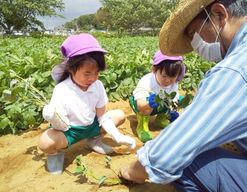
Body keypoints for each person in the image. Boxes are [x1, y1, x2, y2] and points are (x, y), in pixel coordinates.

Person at [120, 0, 247, 191]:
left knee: (187, 160)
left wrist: (131, 171)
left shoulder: (235, 69)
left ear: (219, 14)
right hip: (147, 108)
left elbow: (170, 152)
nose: (195, 43)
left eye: (193, 33)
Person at [38, 33, 136, 174]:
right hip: (70, 131)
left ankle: (94, 141)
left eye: (96, 73)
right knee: (45, 142)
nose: (92, 78)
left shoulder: (98, 86)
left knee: (119, 115)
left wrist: (117, 135)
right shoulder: (62, 90)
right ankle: (55, 154)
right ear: (71, 69)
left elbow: (102, 116)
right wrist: (53, 117)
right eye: (87, 73)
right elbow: (60, 124)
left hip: (91, 126)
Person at [129, 50, 185, 142]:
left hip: (158, 104)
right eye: (164, 76)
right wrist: (150, 103)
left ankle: (161, 119)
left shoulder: (174, 83)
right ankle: (142, 126)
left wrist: (173, 109)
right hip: (141, 103)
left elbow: (173, 98)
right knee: (148, 105)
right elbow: (140, 104)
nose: (168, 81)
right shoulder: (147, 81)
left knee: (174, 98)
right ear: (154, 70)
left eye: (172, 77)